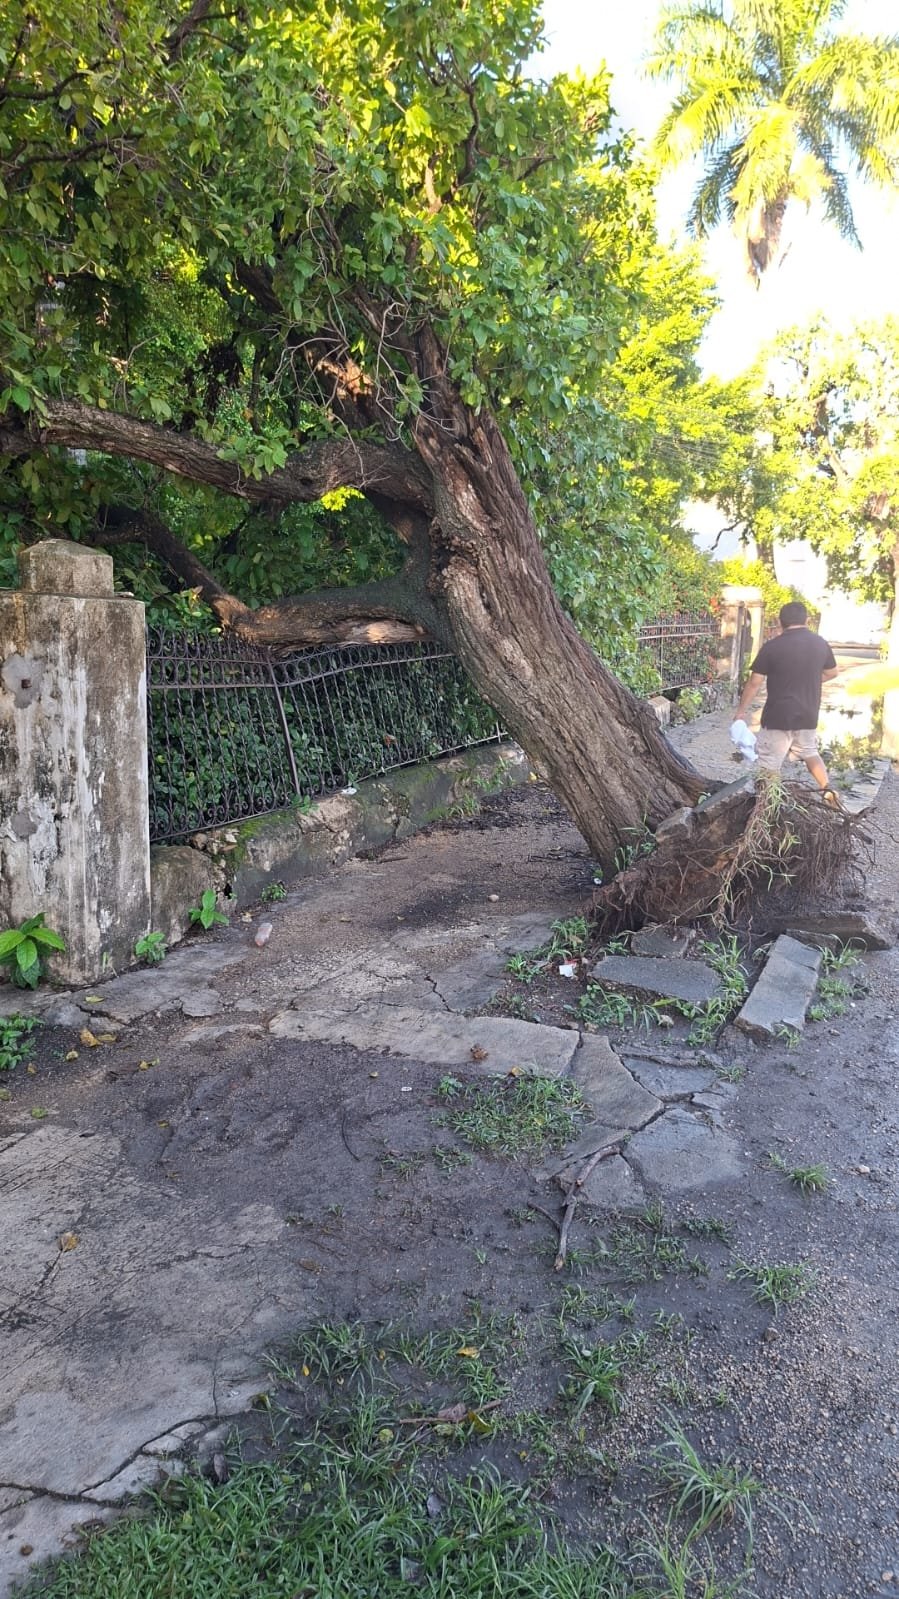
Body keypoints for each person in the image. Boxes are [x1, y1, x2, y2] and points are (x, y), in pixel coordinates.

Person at [732, 601, 841, 800]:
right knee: (809, 752)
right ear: (807, 620)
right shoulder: (820, 643)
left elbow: (755, 682)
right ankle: (827, 789)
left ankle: (767, 802)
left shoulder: (772, 646)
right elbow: (832, 672)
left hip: (778, 715)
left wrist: (741, 711)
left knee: (769, 762)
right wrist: (809, 680)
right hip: (808, 713)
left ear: (779, 621)